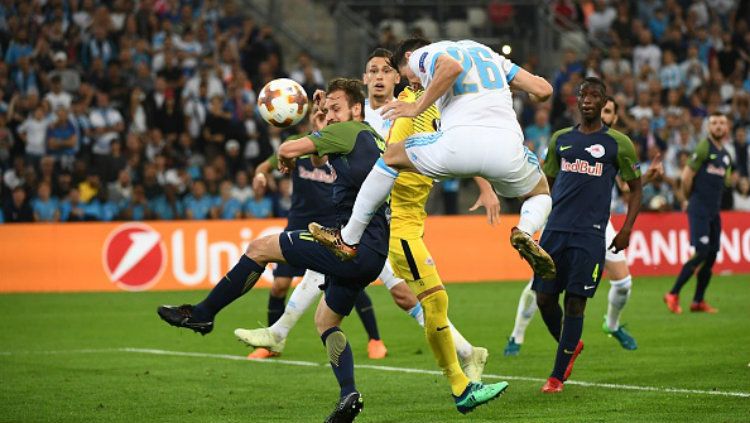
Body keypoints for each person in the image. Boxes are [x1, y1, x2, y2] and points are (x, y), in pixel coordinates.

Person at [158, 78, 508, 421]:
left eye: (337, 108)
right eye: (328, 109)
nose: (331, 114)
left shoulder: (350, 131)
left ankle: (204, 312)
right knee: (326, 320)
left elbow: (287, 148)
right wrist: (320, 111)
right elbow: (322, 143)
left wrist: (289, 151)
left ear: (357, 109)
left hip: (349, 245)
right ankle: (348, 395)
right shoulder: (368, 136)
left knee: (260, 248)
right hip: (371, 252)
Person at [309, 37, 557, 283]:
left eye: (408, 76)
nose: (412, 81)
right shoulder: (490, 56)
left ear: (408, 59)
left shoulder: (423, 54)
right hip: (506, 149)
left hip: (458, 145)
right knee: (540, 193)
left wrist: (417, 106)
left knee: (392, 156)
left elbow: (451, 67)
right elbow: (543, 90)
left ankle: (349, 238)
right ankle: (525, 230)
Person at [504, 96, 662, 356]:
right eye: (605, 109)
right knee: (541, 284)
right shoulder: (568, 139)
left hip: (597, 223)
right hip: (561, 217)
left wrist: (646, 178)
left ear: (614, 116)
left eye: (611, 111)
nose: (606, 114)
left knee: (623, 283)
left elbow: (625, 188)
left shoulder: (616, 145)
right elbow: (549, 176)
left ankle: (611, 325)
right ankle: (517, 336)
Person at [240, 99, 388, 360]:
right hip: (299, 219)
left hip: (331, 222)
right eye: (317, 114)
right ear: (307, 117)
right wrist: (261, 175)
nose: (321, 116)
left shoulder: (338, 143)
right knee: (279, 286)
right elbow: (267, 164)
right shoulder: (299, 143)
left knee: (351, 284)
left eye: (326, 112)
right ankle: (271, 344)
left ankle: (375, 339)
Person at [532, 77, 642, 393]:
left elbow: (635, 189)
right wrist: (534, 221)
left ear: (604, 101)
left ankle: (556, 377)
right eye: (584, 95)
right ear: (577, 101)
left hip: (590, 234)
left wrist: (626, 229)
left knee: (576, 303)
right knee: (544, 298)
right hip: (555, 230)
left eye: (595, 95)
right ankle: (570, 345)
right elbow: (546, 185)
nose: (589, 100)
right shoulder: (560, 139)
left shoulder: (619, 143)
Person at [665, 112, 733, 314]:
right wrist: (687, 199)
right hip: (700, 208)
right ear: (708, 127)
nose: (718, 126)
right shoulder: (704, 147)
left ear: (727, 127)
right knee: (702, 251)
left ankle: (698, 301)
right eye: (714, 123)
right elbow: (686, 176)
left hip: (714, 212)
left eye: (722, 123)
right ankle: (673, 293)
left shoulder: (726, 156)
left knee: (711, 256)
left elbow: (726, 182)